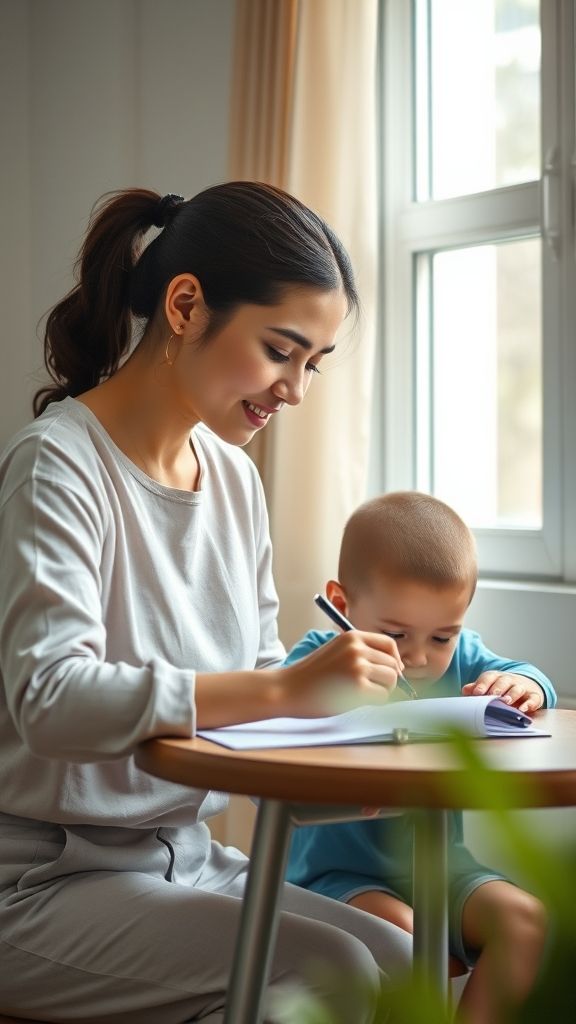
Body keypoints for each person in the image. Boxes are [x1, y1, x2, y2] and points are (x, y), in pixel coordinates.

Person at [0, 183, 413, 1024]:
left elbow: (258, 677)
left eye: (313, 364)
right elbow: (49, 698)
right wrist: (282, 691)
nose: (295, 389)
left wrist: (350, 747)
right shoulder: (58, 466)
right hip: (44, 879)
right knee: (329, 970)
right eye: (281, 350)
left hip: (184, 858)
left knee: (400, 957)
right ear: (185, 305)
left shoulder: (231, 477)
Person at [285, 491, 556, 1024]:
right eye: (396, 634)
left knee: (526, 922)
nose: (419, 656)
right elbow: (276, 720)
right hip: (339, 877)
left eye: (442, 636)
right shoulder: (316, 662)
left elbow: (529, 674)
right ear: (341, 604)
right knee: (410, 947)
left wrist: (524, 684)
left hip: (445, 871)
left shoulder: (463, 660)